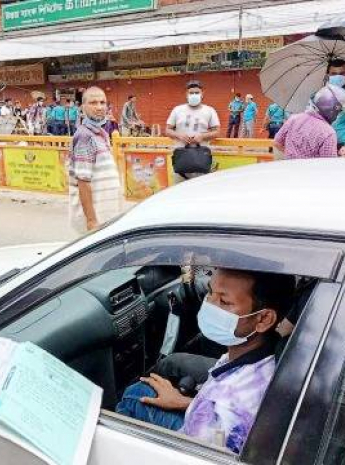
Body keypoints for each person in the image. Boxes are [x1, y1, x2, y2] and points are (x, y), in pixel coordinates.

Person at [116, 268, 295, 454]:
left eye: (224, 302)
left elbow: (190, 454)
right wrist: (186, 402)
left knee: (135, 395)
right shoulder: (260, 356)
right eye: (210, 291)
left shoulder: (232, 410)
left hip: (194, 442)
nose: (209, 304)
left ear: (264, 318)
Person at [69, 86, 122, 233]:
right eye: (93, 103)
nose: (99, 107)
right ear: (83, 107)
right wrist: (92, 221)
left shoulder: (100, 134)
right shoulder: (85, 136)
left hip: (105, 214)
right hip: (96, 220)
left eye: (102, 102)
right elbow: (83, 181)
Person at [165, 80, 221, 181]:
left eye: (197, 92)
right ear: (186, 94)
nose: (194, 95)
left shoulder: (210, 110)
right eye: (191, 93)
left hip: (202, 159)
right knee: (179, 190)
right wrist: (178, 135)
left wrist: (202, 136)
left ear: (202, 94)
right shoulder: (177, 110)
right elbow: (167, 130)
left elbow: (217, 131)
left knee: (201, 190)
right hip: (180, 160)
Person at [273, 85, 345, 159]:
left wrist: (292, 155)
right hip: (310, 170)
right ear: (333, 111)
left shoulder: (293, 119)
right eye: (338, 112)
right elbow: (328, 164)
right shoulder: (328, 133)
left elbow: (277, 143)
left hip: (289, 168)